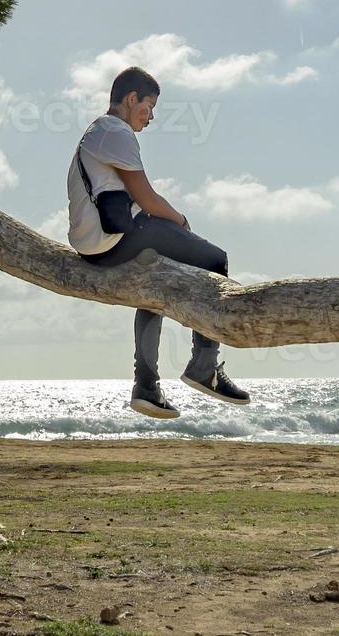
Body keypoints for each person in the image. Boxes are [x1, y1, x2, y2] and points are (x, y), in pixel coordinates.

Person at [66, 65, 252, 419]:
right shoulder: (115, 131)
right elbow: (146, 198)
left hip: (94, 246)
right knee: (216, 259)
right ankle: (204, 366)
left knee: (155, 283)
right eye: (148, 107)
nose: (150, 117)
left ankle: (146, 387)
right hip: (115, 239)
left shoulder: (95, 133)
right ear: (131, 98)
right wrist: (182, 221)